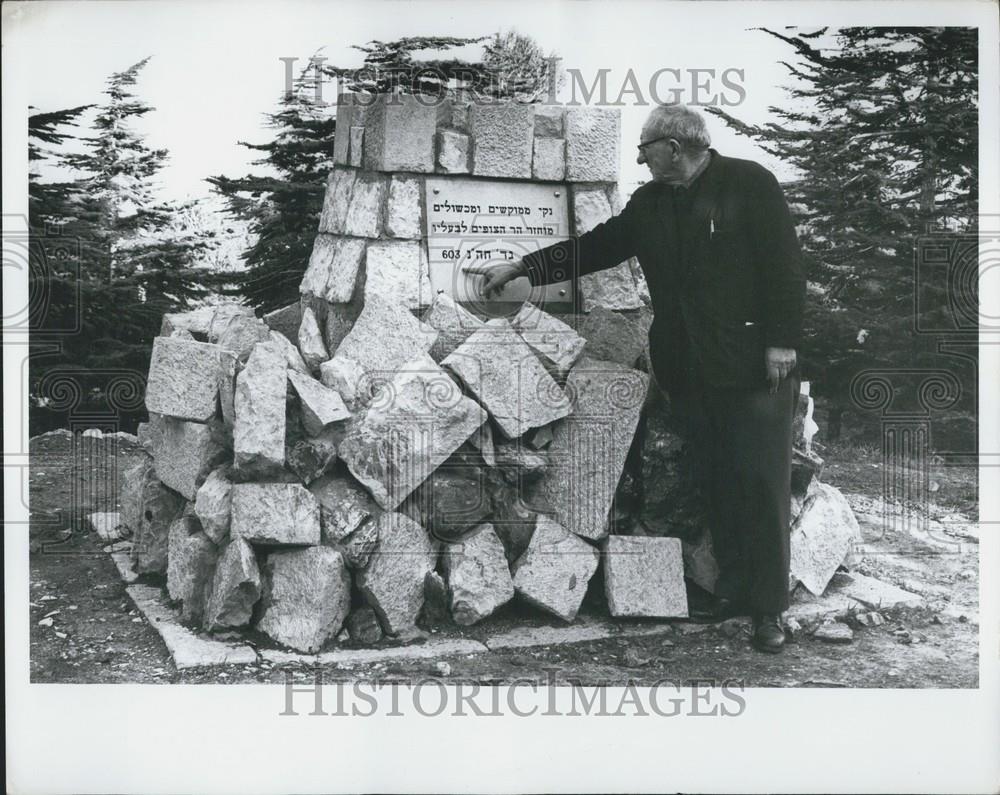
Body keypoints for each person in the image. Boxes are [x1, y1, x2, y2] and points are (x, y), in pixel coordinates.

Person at [464, 104, 805, 654]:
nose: (640, 157)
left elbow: (785, 266)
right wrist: (525, 267)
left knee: (762, 484)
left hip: (753, 368)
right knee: (717, 480)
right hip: (690, 370)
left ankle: (769, 611)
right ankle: (734, 591)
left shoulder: (749, 183)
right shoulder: (649, 203)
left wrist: (782, 341)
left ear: (674, 146)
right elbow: (595, 248)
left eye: (645, 147)